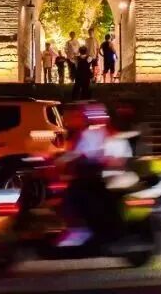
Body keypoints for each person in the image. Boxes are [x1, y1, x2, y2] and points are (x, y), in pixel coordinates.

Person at [57, 102, 112, 247]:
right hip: (90, 174)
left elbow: (82, 153)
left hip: (91, 175)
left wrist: (63, 160)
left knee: (72, 198)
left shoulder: (93, 133)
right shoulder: (93, 133)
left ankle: (80, 230)